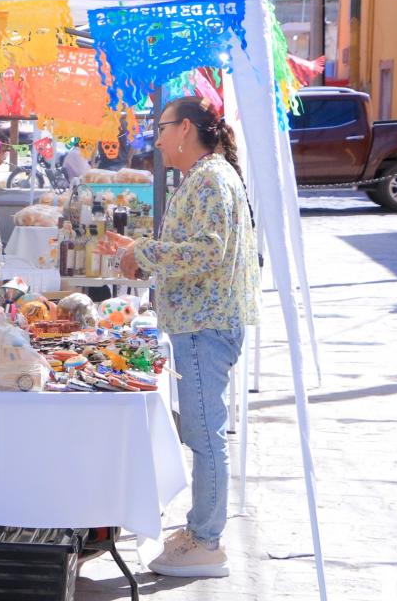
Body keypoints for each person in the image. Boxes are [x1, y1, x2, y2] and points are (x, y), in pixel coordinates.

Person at [99, 96, 259, 578]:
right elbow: (200, 247)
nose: (158, 141)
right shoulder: (210, 175)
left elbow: (207, 252)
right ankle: (201, 530)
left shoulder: (209, 177)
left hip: (202, 325)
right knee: (202, 433)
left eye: (162, 129)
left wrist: (144, 254)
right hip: (201, 322)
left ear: (185, 129)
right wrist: (140, 249)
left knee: (205, 436)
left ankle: (207, 540)